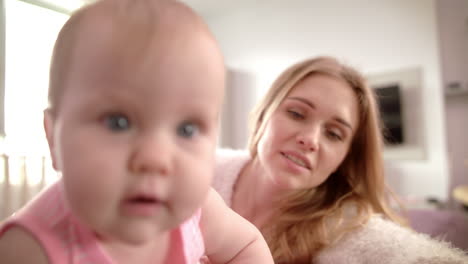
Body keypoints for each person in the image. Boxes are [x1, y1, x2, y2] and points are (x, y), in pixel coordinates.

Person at [0, 0, 274, 263]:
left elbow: (247, 247)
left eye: (186, 129)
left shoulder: (198, 212)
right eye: (117, 122)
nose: (155, 159)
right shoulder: (28, 249)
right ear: (53, 139)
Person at [213, 56, 468, 263]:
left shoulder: (343, 228)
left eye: (334, 134)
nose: (310, 139)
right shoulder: (206, 168)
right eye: (296, 113)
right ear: (264, 114)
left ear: (345, 158)